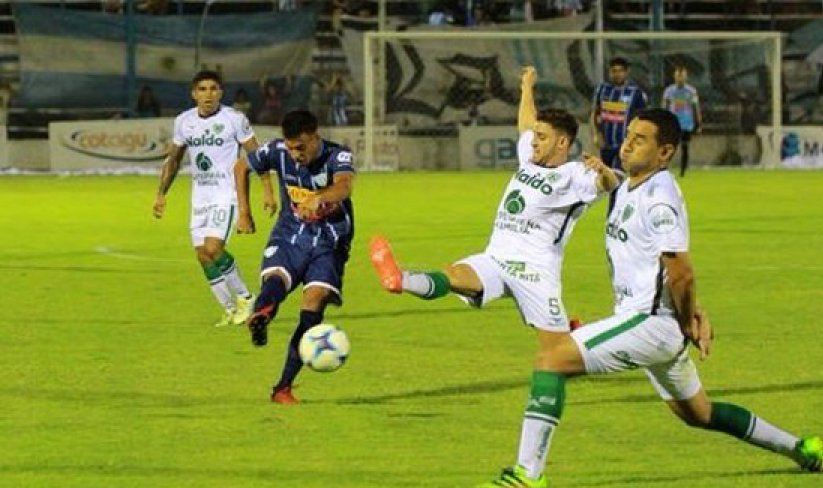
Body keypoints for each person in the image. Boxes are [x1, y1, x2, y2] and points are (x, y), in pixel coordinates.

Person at [477, 109, 823, 488]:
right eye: (629, 135)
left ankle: (527, 473)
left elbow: (680, 270)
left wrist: (685, 320)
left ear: (664, 152)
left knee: (552, 359)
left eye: (640, 139)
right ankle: (802, 448)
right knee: (700, 413)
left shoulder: (660, 197)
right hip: (654, 321)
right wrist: (696, 311)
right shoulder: (626, 186)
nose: (628, 143)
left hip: (652, 323)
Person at [369, 66, 619, 405]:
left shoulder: (575, 174)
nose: (533, 140)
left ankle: (600, 343)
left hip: (535, 273)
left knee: (559, 359)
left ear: (563, 143)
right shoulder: (529, 159)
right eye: (534, 137)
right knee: (456, 275)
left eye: (542, 137)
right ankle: (400, 280)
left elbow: (609, 185)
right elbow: (526, 122)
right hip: (496, 259)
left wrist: (604, 172)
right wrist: (527, 86)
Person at [235, 110, 356, 405]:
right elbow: (241, 167)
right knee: (275, 281)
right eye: (290, 147)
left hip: (330, 242)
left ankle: (283, 388)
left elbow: (344, 185)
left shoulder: (337, 155)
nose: (294, 154)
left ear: (315, 137)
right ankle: (262, 315)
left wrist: (320, 197)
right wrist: (245, 212)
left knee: (313, 304)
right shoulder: (278, 151)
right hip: (290, 235)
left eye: (300, 147)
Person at [152, 70, 274, 327]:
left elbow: (256, 155)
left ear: (221, 92)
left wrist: (267, 189)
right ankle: (229, 309)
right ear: (194, 94)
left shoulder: (234, 119)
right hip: (200, 197)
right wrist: (162, 193)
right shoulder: (184, 121)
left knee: (213, 249)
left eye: (213, 88)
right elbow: (173, 158)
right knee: (202, 255)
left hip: (226, 194)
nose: (208, 94)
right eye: (203, 89)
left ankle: (245, 297)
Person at [591, 57, 648, 170]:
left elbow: (641, 118)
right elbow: (595, 113)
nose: (617, 74)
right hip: (606, 143)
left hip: (624, 143)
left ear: (626, 72)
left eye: (620, 71)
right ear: (610, 73)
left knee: (617, 173)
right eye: (614, 71)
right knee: (606, 175)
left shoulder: (635, 92)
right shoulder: (602, 89)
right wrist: (596, 134)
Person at [661, 65, 702, 177]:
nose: (680, 78)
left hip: (686, 124)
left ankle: (683, 171)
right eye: (678, 75)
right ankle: (664, 169)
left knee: (684, 147)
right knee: (669, 147)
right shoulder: (669, 91)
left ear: (686, 77)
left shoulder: (691, 91)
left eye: (682, 75)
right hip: (672, 123)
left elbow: (696, 107)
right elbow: (664, 106)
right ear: (674, 76)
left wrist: (698, 123)